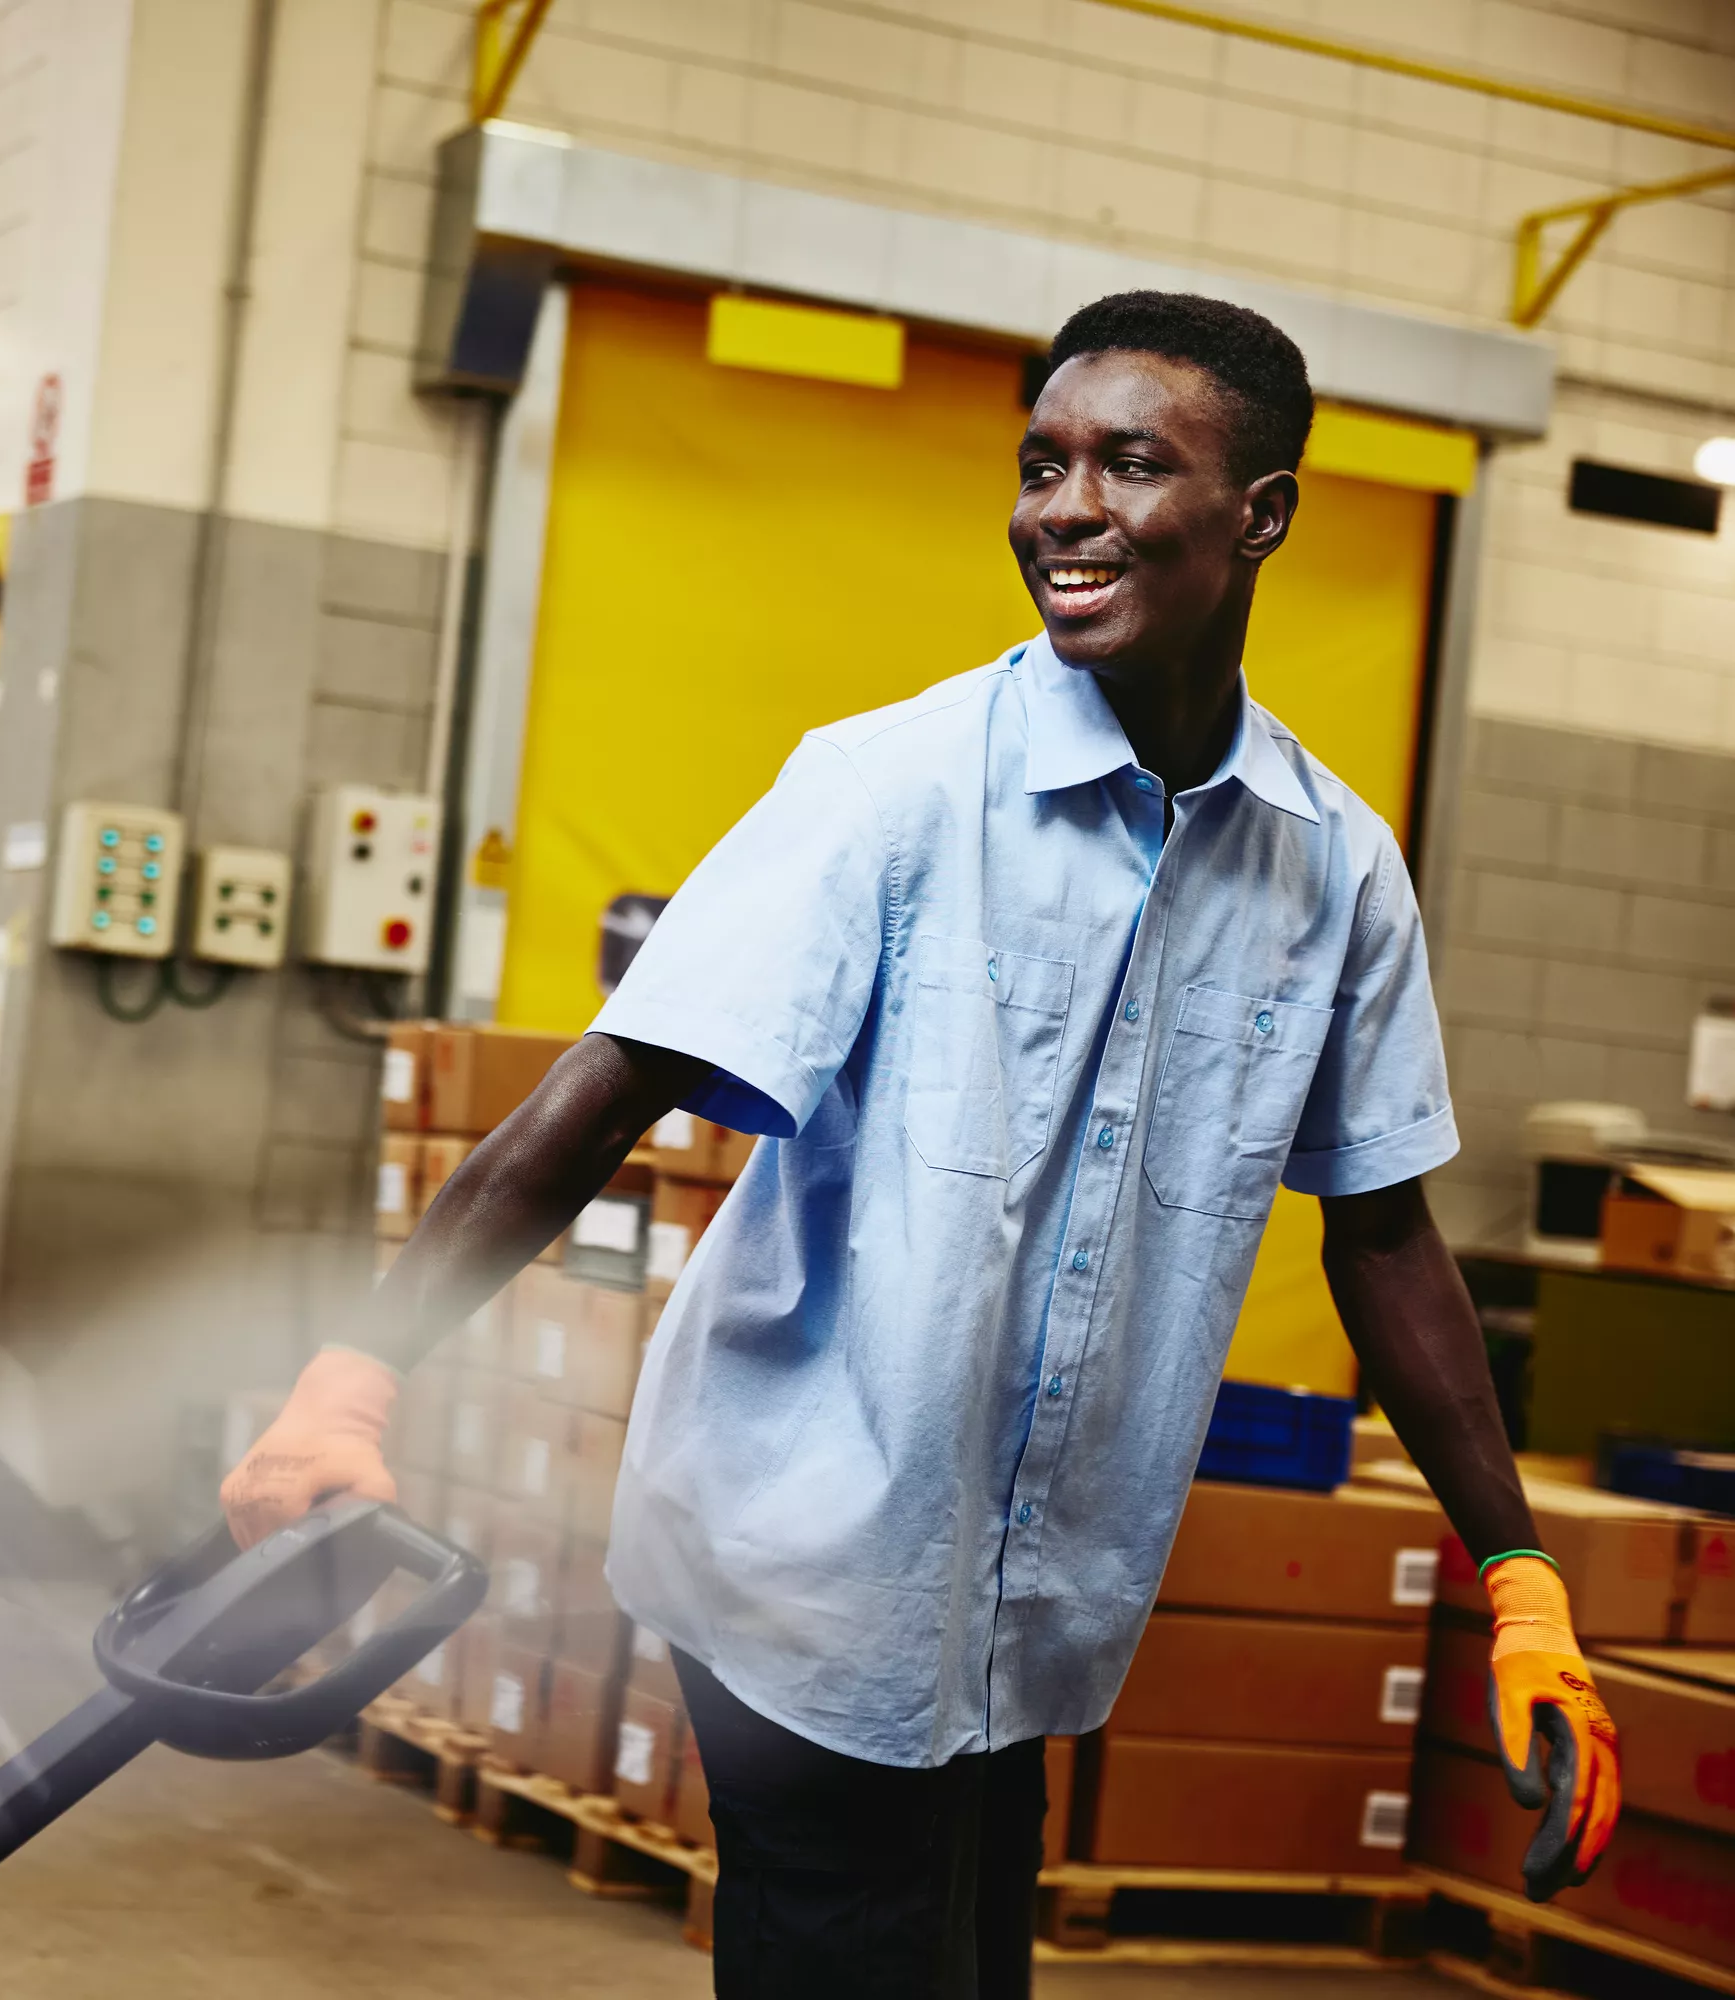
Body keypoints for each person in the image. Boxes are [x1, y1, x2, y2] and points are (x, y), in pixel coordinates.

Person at [222, 292, 1620, 2000]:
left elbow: (1383, 1233)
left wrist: (1521, 1580)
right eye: (1041, 464)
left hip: (1034, 1599)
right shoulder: (887, 789)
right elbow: (605, 1089)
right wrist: (352, 1382)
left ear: (1259, 514)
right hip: (807, 1553)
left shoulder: (1333, 871)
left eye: (1128, 463)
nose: (1063, 509)